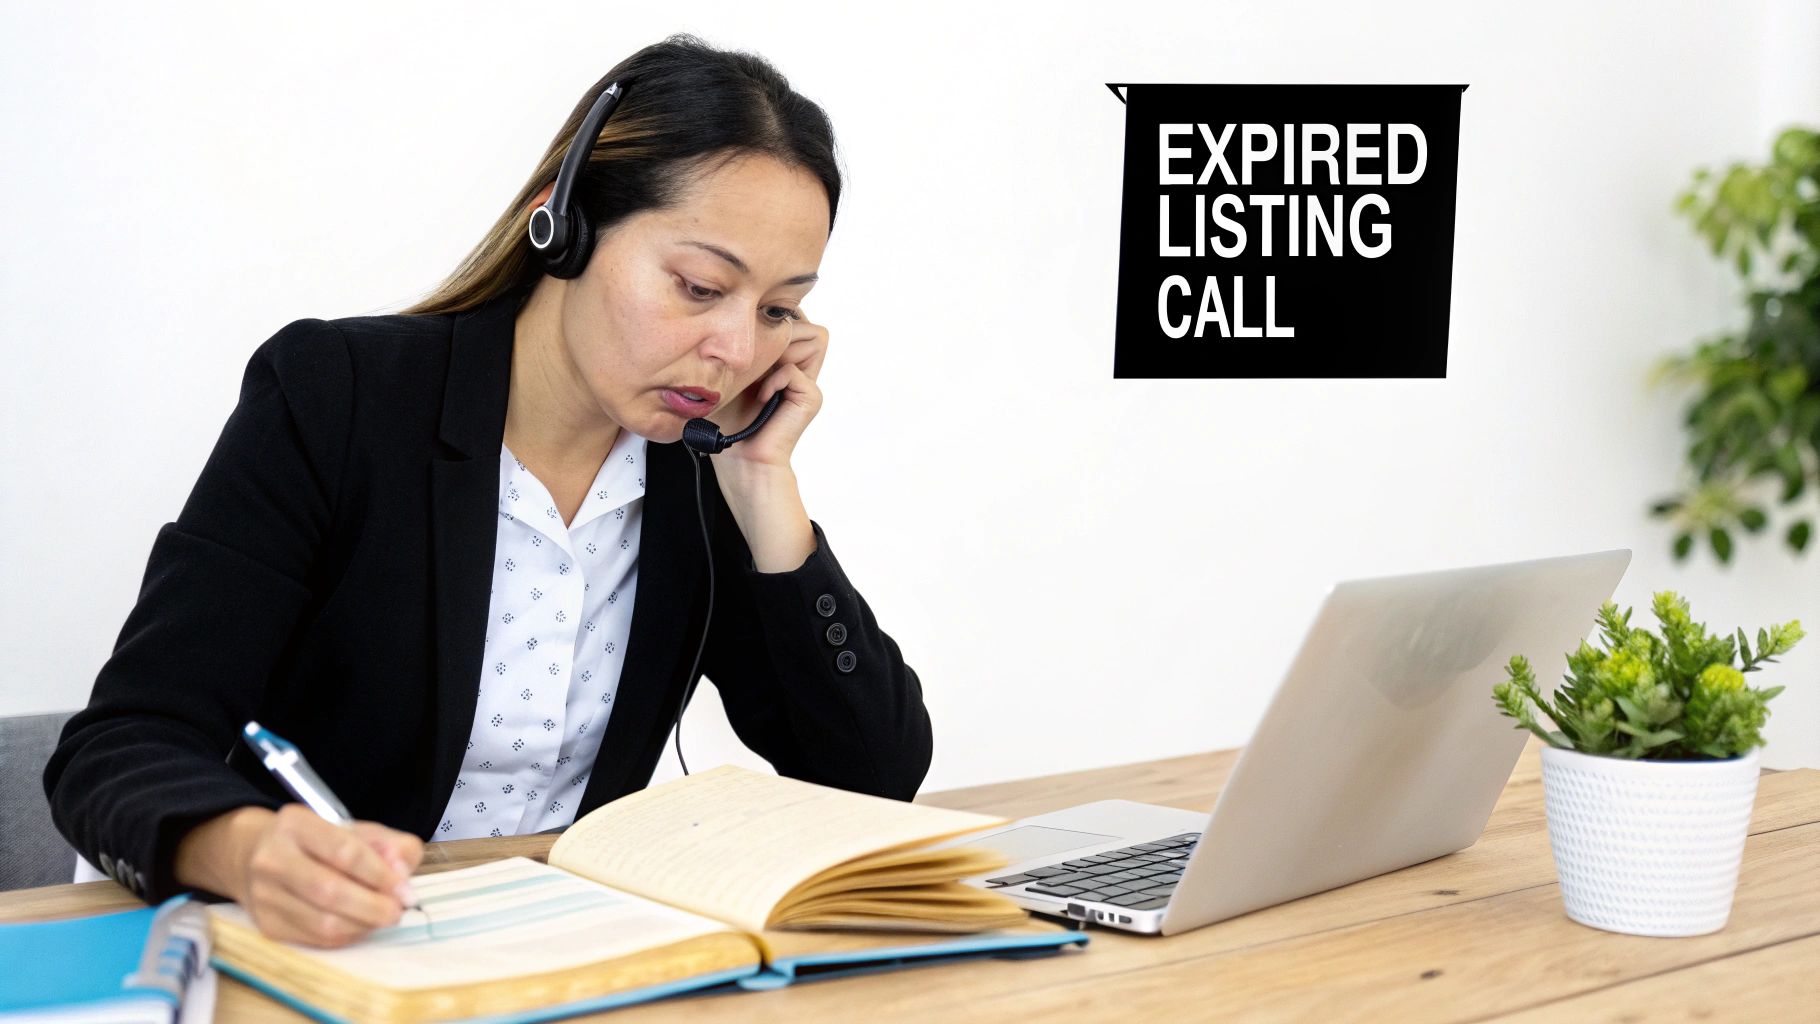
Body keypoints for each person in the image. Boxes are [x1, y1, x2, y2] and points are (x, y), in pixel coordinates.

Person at [42, 34, 933, 949]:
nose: (738, 350)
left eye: (779, 309)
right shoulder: (339, 395)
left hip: (547, 953)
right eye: (701, 286)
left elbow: (870, 779)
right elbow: (119, 747)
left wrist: (761, 483)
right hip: (311, 951)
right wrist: (247, 849)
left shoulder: (699, 468)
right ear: (567, 227)